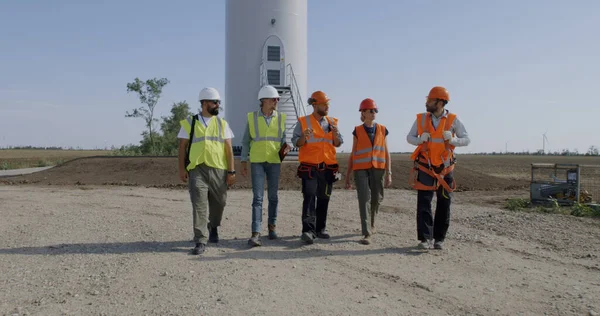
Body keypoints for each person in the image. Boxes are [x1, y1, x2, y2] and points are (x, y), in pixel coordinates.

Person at [406, 86, 470, 250]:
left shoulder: (453, 120)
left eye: (430, 100)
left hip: (445, 168)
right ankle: (425, 239)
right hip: (426, 166)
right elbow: (409, 137)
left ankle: (439, 239)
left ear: (440, 102)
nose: (427, 103)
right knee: (424, 202)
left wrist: (454, 141)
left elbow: (467, 139)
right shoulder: (421, 119)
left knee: (444, 203)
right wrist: (420, 140)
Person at [178, 87, 236, 255]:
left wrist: (231, 171)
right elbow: (182, 146)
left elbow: (229, 150)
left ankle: (214, 226)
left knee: (220, 203)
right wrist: (182, 169)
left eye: (219, 102)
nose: (218, 105)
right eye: (214, 102)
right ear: (204, 103)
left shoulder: (222, 123)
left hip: (219, 169)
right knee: (199, 204)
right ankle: (201, 240)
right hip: (197, 169)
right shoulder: (190, 122)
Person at [240, 85, 290, 247]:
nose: (277, 101)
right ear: (264, 100)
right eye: (274, 99)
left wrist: (286, 146)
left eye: (277, 99)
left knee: (273, 197)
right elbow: (246, 141)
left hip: (274, 161)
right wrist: (243, 161)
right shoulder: (252, 117)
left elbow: (282, 139)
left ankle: (272, 228)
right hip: (257, 162)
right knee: (258, 198)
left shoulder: (281, 118)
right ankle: (255, 233)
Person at [291, 90, 343, 244]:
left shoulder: (332, 122)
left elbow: (338, 143)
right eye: (324, 104)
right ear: (315, 105)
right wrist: (303, 138)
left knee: (323, 198)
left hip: (327, 167)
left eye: (327, 104)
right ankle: (307, 231)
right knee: (309, 198)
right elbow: (296, 143)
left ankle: (320, 229)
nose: (327, 106)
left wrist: (335, 134)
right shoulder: (303, 122)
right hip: (310, 167)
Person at [344, 98, 392, 245]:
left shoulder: (383, 129)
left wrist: (389, 172)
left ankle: (372, 224)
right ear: (363, 113)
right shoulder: (357, 131)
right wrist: (347, 176)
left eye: (375, 110)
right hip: (360, 169)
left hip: (378, 168)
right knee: (364, 198)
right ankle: (366, 232)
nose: (373, 113)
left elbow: (386, 152)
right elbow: (353, 153)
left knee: (377, 198)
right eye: (370, 111)